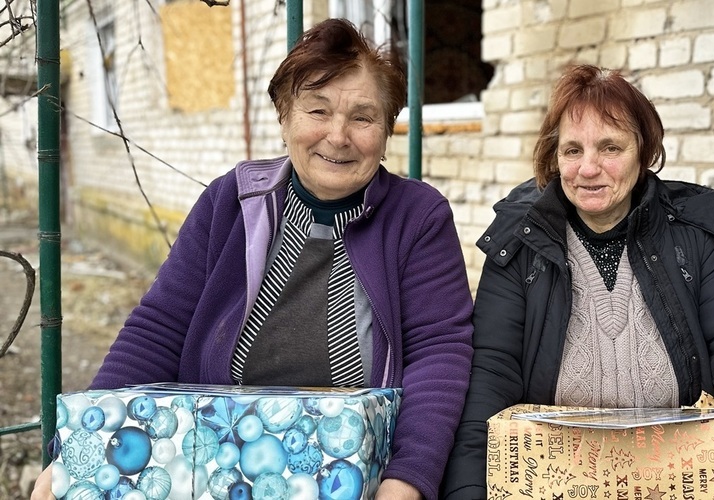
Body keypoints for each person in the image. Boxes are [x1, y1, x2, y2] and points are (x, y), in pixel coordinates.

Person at [32, 18, 473, 500]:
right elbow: (158, 326)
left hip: (356, 477)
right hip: (216, 472)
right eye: (317, 110)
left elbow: (440, 352)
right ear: (284, 118)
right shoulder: (232, 200)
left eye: (363, 117)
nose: (338, 136)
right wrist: (78, 452)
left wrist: (408, 478)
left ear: (387, 130)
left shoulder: (417, 216)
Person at [441, 64, 714, 499]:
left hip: (678, 479)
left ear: (643, 152)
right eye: (572, 150)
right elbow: (490, 376)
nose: (588, 169)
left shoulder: (691, 237)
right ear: (555, 157)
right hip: (553, 482)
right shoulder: (521, 244)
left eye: (610, 147)